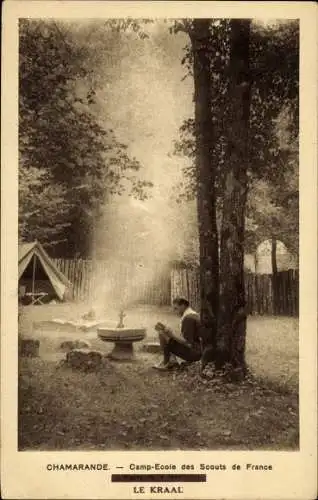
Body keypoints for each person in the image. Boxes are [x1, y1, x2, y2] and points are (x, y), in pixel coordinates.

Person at [153, 297, 202, 371]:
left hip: (195, 354)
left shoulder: (188, 318)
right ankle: (171, 361)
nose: (175, 311)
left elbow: (188, 343)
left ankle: (167, 362)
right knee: (164, 332)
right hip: (198, 350)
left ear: (182, 306)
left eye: (176, 308)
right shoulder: (193, 314)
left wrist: (171, 334)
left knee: (162, 333)